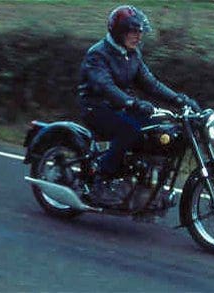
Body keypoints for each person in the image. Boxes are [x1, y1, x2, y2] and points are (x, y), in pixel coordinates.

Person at [78, 5, 200, 205]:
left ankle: (143, 180)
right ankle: (101, 180)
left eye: (140, 32)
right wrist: (132, 103)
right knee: (130, 129)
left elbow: (150, 83)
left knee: (159, 130)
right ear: (119, 32)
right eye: (133, 31)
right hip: (96, 107)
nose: (138, 36)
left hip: (120, 107)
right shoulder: (98, 54)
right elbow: (105, 86)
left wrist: (180, 99)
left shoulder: (132, 54)